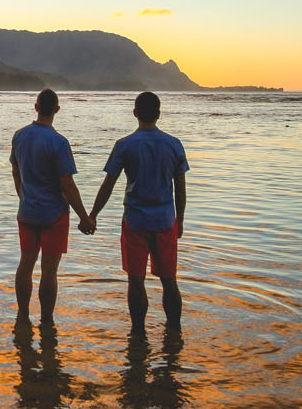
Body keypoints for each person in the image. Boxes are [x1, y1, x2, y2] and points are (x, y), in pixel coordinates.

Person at [89, 91, 188, 337]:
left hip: (135, 221)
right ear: (158, 114)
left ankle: (138, 333)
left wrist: (92, 215)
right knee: (169, 280)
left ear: (135, 113)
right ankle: (174, 333)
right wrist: (181, 220)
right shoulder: (174, 144)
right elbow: (180, 188)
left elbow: (108, 185)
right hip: (165, 221)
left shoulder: (124, 145)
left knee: (136, 280)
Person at [10, 88, 93, 330]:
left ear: (36, 107)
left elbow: (16, 171)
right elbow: (66, 184)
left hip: (27, 212)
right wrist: (84, 217)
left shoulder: (19, 136)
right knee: (49, 270)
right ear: (56, 109)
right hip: (54, 215)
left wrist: (23, 196)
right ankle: (46, 320)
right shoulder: (59, 142)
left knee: (26, 263)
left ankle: (23, 315)